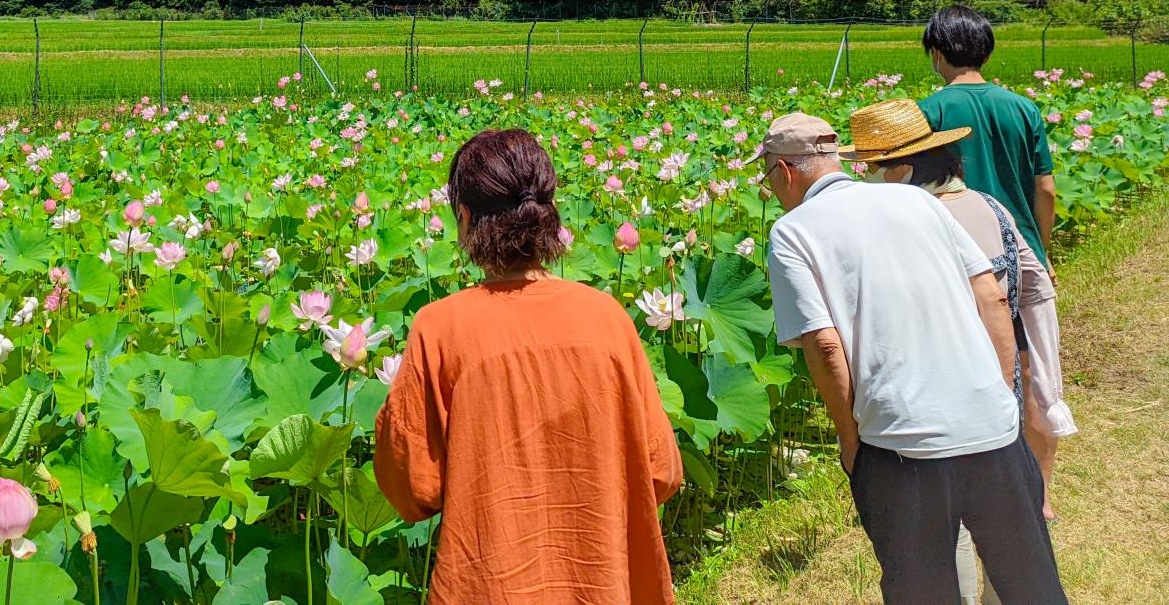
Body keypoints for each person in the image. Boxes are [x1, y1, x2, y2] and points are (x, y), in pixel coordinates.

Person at [756, 111, 1067, 605]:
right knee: (1032, 586)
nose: (770, 191)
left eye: (767, 179)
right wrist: (1002, 396)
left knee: (923, 593)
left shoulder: (793, 232)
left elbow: (825, 345)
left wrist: (850, 441)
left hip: (901, 445)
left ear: (785, 171)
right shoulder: (917, 201)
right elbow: (992, 298)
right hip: (993, 428)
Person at [374, 128, 683, 604]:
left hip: (488, 587)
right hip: (602, 585)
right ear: (547, 212)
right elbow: (661, 472)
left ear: (465, 217)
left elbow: (412, 487)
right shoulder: (609, 319)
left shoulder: (438, 329)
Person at [841, 98, 1078, 605]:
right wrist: (1038, 384)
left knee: (950, 534)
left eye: (872, 169)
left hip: (938, 398)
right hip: (1004, 389)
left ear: (901, 170)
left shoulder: (910, 223)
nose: (866, 181)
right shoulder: (992, 207)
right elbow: (1035, 286)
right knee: (1013, 536)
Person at [919, 4, 1068, 514]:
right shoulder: (1022, 108)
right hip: (1021, 252)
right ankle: (1040, 494)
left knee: (972, 372)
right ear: (987, 50)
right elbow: (1044, 187)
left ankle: (976, 492)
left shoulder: (929, 111)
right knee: (1035, 371)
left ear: (936, 54)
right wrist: (1040, 248)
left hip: (955, 259)